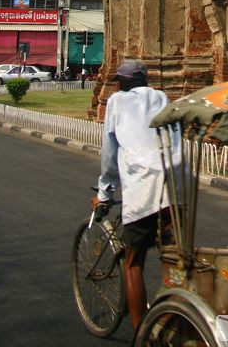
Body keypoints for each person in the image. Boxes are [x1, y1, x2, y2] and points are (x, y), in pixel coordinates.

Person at [91, 59, 180, 329]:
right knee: (172, 258)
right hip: (175, 187)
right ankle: (175, 320)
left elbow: (110, 153)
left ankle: (142, 334)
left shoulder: (117, 101)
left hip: (142, 189)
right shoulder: (162, 97)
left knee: (133, 263)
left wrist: (105, 193)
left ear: (121, 82)